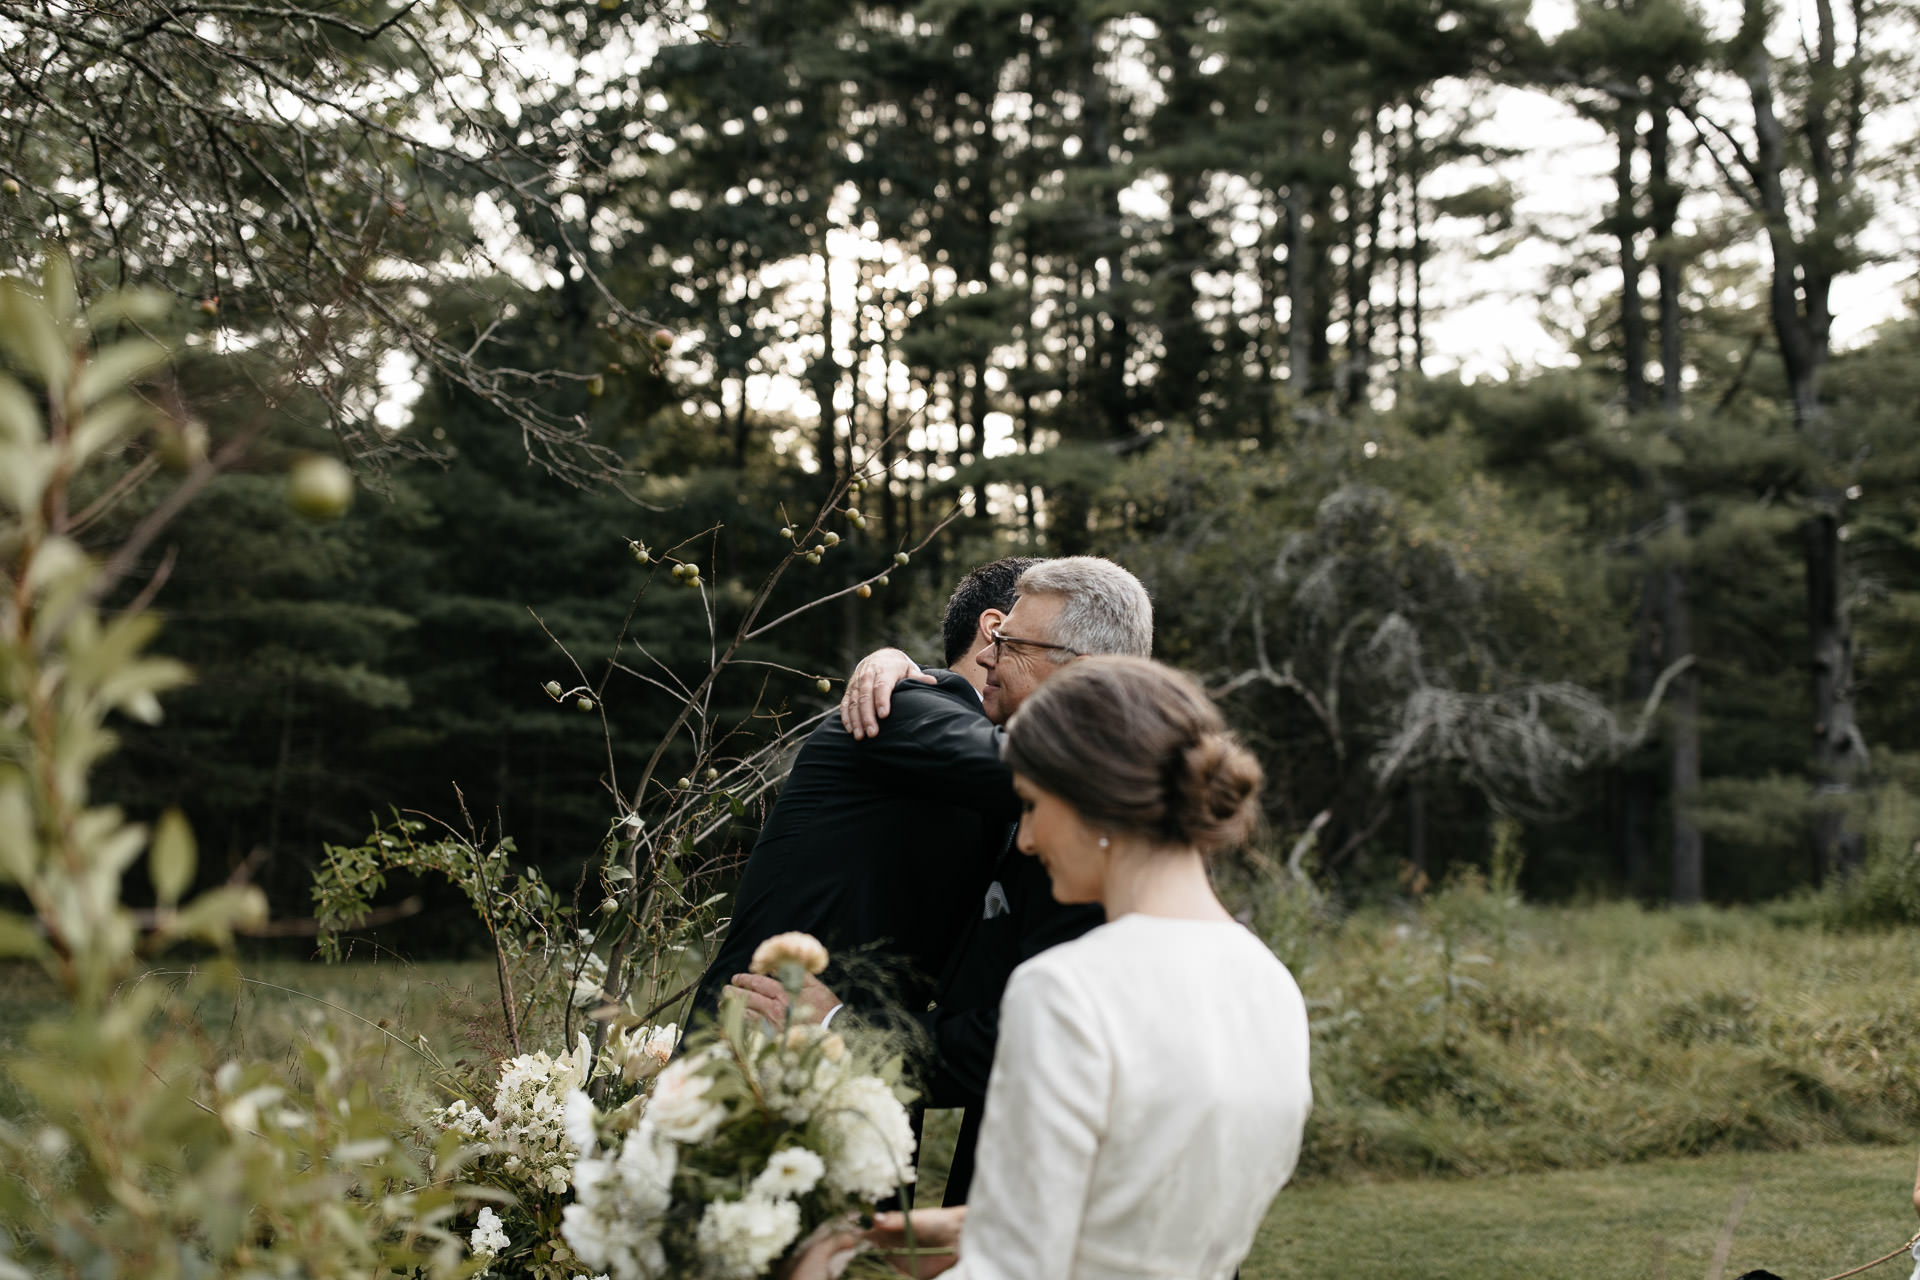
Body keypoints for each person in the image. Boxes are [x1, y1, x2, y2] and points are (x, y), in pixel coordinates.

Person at [793, 656, 1312, 1280]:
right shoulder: (1269, 983)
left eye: (1034, 805)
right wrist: (956, 1227)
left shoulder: (1066, 989)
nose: (1030, 839)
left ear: (1091, 803)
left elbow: (1013, 1269)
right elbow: (1141, 1196)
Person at [730, 557, 1154, 1202]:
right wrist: (894, 666)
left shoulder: (1106, 812)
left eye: (1010, 645)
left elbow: (1026, 1031)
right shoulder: (904, 711)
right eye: (997, 640)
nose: (992, 659)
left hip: (1062, 1153)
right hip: (767, 1061)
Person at [689, 557, 1038, 1030]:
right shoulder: (903, 705)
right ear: (996, 629)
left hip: (861, 1058)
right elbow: (1026, 770)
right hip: (759, 1044)